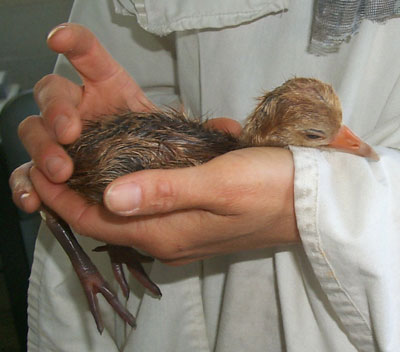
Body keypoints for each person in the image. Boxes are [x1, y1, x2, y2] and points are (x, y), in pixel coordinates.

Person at [10, 0, 400, 351]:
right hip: (173, 297)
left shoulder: (227, 152)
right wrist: (87, 259)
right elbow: (138, 66)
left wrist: (314, 202)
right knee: (62, 194)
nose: (354, 142)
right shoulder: (217, 156)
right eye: (317, 136)